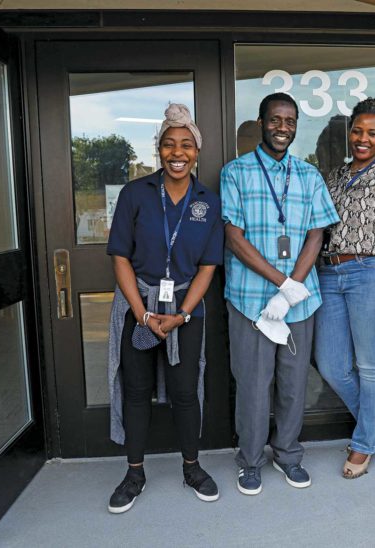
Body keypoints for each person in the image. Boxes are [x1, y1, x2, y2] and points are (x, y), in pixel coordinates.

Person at [105, 104, 224, 513]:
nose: (178, 152)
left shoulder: (208, 200)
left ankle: (192, 468)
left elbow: (208, 266)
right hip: (139, 305)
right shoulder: (135, 194)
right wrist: (142, 314)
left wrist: (183, 314)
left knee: (185, 393)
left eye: (186, 145)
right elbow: (120, 256)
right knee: (137, 393)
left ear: (196, 151)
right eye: (169, 144)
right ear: (158, 149)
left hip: (185, 309)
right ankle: (134, 473)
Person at [221, 92, 339, 495]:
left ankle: (288, 454)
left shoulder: (308, 176)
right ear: (261, 122)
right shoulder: (235, 172)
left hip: (298, 303)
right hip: (250, 299)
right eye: (275, 120)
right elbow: (234, 238)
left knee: (293, 384)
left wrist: (291, 290)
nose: (282, 128)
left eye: (289, 121)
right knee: (253, 385)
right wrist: (279, 282)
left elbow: (316, 234)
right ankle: (250, 461)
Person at [314, 97, 375, 479]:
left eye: (372, 133)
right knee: (331, 365)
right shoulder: (334, 176)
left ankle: (365, 442)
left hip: (370, 273)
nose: (362, 138)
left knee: (372, 366)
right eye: (357, 130)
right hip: (328, 273)